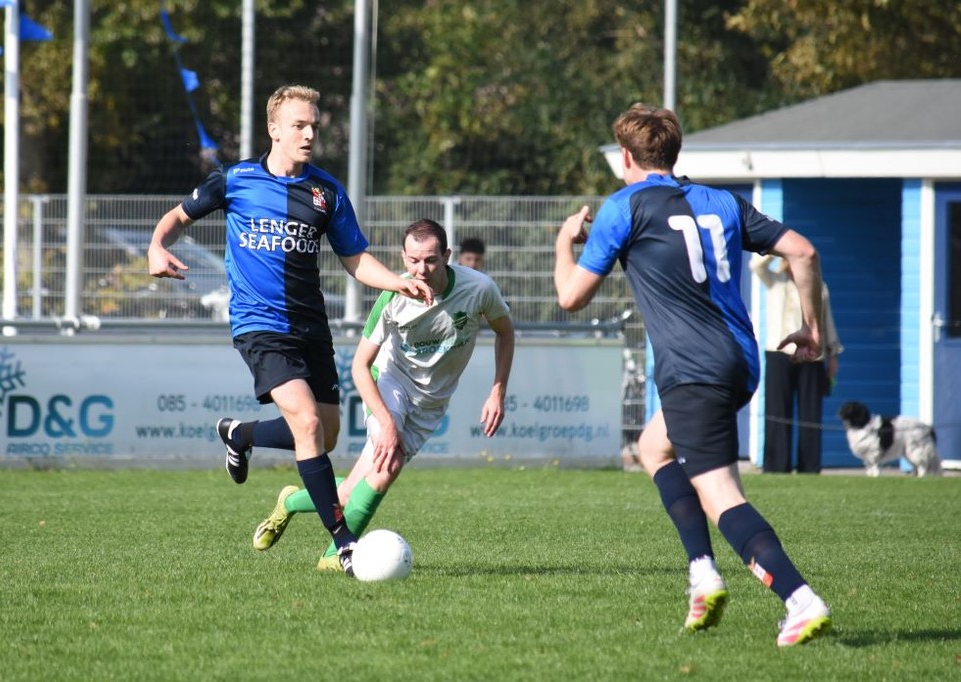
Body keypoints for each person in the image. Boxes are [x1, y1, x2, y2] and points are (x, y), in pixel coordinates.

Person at [553, 103, 832, 647]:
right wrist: (813, 329)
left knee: (721, 495)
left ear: (626, 157)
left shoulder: (622, 207)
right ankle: (702, 574)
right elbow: (803, 252)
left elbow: (570, 297)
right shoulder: (722, 201)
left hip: (692, 369)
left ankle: (800, 599)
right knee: (653, 447)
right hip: (739, 362)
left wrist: (565, 242)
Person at [147, 84, 432, 577]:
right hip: (260, 325)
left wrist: (397, 281)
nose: (309, 135)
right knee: (306, 424)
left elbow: (355, 259)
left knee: (326, 434)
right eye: (299, 125)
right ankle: (344, 544)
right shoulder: (235, 180)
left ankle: (239, 434)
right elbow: (177, 217)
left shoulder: (327, 192)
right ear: (273, 129)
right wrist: (157, 246)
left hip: (311, 327)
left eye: (314, 126)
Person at [252, 218, 514, 571]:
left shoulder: (478, 288)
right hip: (390, 384)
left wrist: (498, 391)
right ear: (403, 258)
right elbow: (360, 366)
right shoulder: (393, 296)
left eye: (431, 260)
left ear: (447, 256)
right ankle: (336, 556)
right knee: (389, 461)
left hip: (430, 404)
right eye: (414, 260)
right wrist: (387, 424)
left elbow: (505, 331)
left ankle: (289, 502)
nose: (421, 270)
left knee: (348, 494)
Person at [750, 254, 844, 474]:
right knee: (777, 410)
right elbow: (756, 265)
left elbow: (826, 321)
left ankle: (809, 467)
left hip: (811, 356)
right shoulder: (774, 280)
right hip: (779, 353)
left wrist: (832, 355)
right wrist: (778, 249)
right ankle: (776, 466)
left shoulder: (818, 286)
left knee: (810, 412)